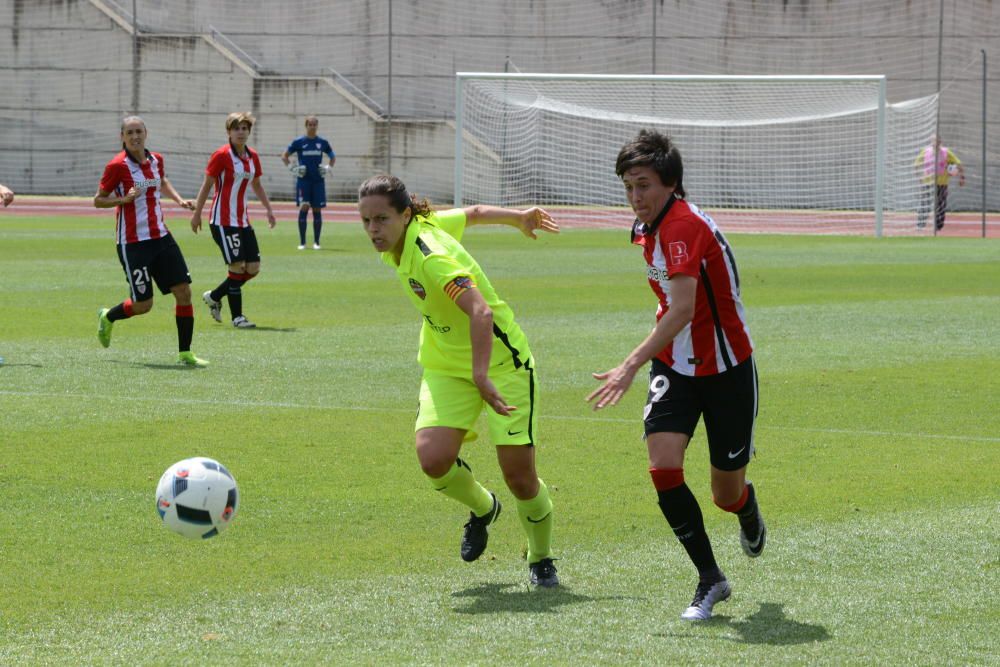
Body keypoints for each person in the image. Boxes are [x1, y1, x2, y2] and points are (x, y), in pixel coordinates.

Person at [587, 129, 764, 621]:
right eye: (627, 187)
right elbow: (672, 303)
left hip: (727, 368)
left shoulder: (682, 226)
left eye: (642, 185)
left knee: (725, 494)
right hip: (675, 366)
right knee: (663, 466)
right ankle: (711, 579)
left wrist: (629, 365)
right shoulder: (649, 226)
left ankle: (746, 507)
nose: (635, 197)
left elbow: (683, 309)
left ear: (669, 183)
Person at [358, 174, 561, 587]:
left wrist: (482, 375)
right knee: (433, 459)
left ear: (405, 214)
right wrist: (519, 218)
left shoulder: (428, 252)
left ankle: (540, 557)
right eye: (366, 221)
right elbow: (474, 212)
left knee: (521, 477)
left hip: (503, 365)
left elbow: (481, 312)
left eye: (381, 219)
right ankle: (485, 509)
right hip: (445, 364)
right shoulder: (418, 226)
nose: (373, 230)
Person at [93, 116, 208, 367]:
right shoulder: (117, 166)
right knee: (143, 305)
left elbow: (162, 181)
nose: (135, 136)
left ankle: (185, 353)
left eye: (139, 131)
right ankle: (108, 316)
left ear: (146, 133)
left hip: (161, 237)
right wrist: (122, 200)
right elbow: (98, 200)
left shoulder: (156, 159)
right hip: (133, 243)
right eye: (130, 132)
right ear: (122, 137)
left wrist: (179, 200)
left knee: (184, 292)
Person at [191, 112, 277, 329]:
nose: (241, 132)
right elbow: (207, 184)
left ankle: (215, 296)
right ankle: (237, 317)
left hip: (243, 221)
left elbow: (256, 184)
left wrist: (268, 209)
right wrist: (197, 213)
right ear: (229, 131)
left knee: (254, 268)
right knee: (237, 266)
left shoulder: (252, 156)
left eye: (245, 128)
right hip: (222, 221)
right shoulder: (221, 155)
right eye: (236, 128)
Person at [282, 116, 335, 250]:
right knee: (304, 208)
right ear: (306, 126)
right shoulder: (299, 142)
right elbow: (284, 156)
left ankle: (316, 242)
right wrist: (293, 169)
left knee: (317, 209)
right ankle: (302, 242)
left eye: (314, 124)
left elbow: (332, 157)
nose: (312, 127)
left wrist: (328, 168)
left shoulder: (322, 142)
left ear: (317, 126)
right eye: (310, 124)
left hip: (318, 181)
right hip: (304, 181)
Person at [915, 135, 964, 231]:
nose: (935, 142)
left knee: (941, 204)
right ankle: (920, 225)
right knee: (925, 203)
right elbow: (916, 164)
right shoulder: (925, 152)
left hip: (942, 183)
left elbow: (958, 163)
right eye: (933, 140)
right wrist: (919, 177)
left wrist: (962, 177)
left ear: (940, 141)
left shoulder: (946, 152)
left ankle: (938, 226)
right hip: (928, 182)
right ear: (931, 141)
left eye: (937, 140)